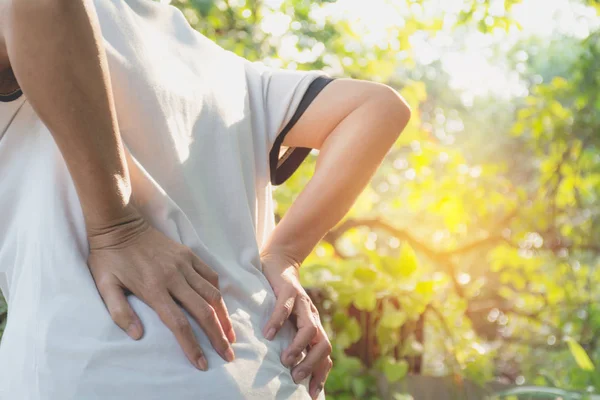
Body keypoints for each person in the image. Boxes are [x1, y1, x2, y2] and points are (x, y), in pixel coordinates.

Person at [0, 0, 411, 399]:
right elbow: (376, 108)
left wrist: (116, 226)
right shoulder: (232, 73)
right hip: (268, 371)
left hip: (105, 363)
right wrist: (285, 255)